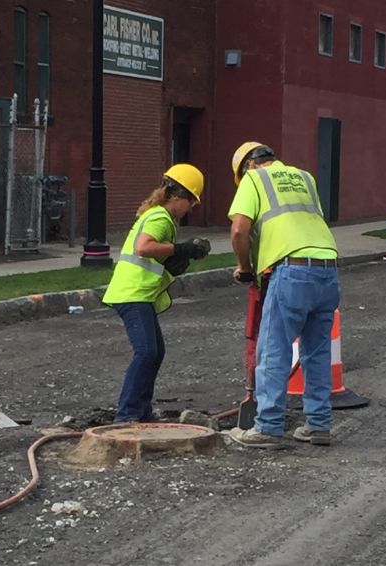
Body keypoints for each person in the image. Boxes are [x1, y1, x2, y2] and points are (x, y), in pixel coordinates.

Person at [227, 142, 340, 448]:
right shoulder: (305, 177)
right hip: (327, 267)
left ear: (248, 166)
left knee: (274, 348)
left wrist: (245, 267)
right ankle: (318, 425)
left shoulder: (253, 179)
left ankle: (268, 426)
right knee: (316, 352)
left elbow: (239, 230)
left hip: (291, 270)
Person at [102, 164, 211, 423]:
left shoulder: (159, 217)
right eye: (191, 201)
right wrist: (181, 250)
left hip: (139, 293)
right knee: (147, 352)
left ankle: (141, 411)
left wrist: (176, 257)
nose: (192, 208)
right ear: (177, 196)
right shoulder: (160, 218)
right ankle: (127, 415)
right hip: (133, 293)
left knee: (155, 351)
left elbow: (157, 254)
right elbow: (144, 247)